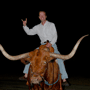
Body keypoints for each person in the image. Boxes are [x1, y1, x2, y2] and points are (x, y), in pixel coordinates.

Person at [20, 11, 69, 86]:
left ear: (46, 16)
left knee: (59, 58)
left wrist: (51, 43)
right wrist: (24, 25)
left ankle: (64, 79)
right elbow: (29, 32)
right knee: (32, 56)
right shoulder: (37, 27)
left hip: (52, 45)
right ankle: (26, 75)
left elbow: (55, 35)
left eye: (43, 15)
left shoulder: (51, 24)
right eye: (40, 16)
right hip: (42, 46)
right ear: (39, 17)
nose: (42, 17)